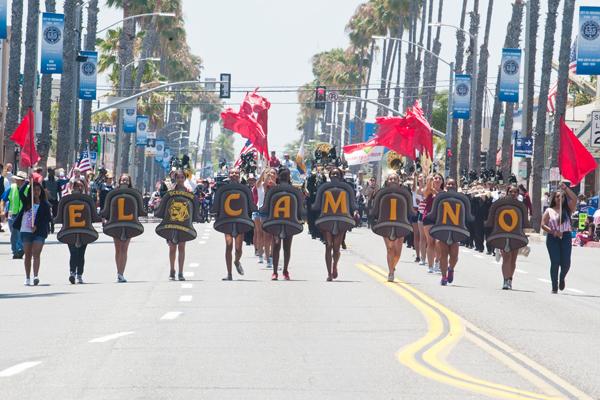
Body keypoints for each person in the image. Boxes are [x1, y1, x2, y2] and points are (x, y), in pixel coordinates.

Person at [13, 180, 52, 286]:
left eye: (38, 190)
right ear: (31, 191)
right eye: (34, 190)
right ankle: (27, 277)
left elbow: (47, 218)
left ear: (41, 191)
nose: (36, 192)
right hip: (26, 231)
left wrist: (37, 226)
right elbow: (21, 192)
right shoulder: (27, 202)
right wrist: (27, 182)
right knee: (28, 255)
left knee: (36, 254)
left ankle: (36, 276)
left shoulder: (45, 204)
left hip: (39, 232)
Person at [541, 182, 577, 293]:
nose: (560, 198)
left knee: (566, 263)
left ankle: (562, 278)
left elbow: (574, 199)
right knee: (555, 262)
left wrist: (565, 188)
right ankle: (554, 286)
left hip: (566, 236)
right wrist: (553, 232)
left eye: (562, 197)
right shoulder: (549, 211)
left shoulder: (568, 209)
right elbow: (543, 225)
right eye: (557, 196)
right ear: (554, 198)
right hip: (553, 238)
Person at [215, 168, 247, 281]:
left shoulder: (244, 188)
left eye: (236, 173)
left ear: (239, 175)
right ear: (229, 175)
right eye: (232, 173)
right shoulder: (223, 189)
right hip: (227, 220)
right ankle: (229, 274)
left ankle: (237, 261)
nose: (234, 174)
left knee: (238, 249)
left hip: (240, 221)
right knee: (229, 244)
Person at [268, 168, 298, 280]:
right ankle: (275, 271)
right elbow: (267, 206)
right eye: (283, 175)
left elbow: (299, 207)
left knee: (287, 247)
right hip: (276, 221)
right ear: (278, 177)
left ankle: (285, 270)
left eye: (287, 175)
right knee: (276, 246)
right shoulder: (273, 190)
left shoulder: (293, 190)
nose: (285, 177)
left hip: (289, 221)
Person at [66, 180, 91, 284]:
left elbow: (92, 215)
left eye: (81, 186)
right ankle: (72, 272)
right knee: (73, 252)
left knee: (81, 253)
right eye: (76, 186)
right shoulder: (66, 200)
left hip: (84, 230)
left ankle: (79, 274)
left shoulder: (88, 200)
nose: (79, 188)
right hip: (70, 230)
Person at [436, 178, 460, 286]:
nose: (451, 186)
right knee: (443, 255)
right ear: (446, 186)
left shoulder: (461, 198)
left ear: (456, 186)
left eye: (453, 184)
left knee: (454, 256)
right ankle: (443, 276)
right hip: (443, 228)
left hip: (456, 229)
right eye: (449, 184)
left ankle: (451, 269)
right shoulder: (441, 197)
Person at [112, 174, 135, 283]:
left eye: (126, 180)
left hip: (129, 223)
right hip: (116, 223)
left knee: (124, 248)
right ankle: (118, 272)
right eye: (123, 180)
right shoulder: (114, 193)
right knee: (117, 248)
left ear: (129, 182)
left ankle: (121, 273)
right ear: (119, 181)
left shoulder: (133, 194)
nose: (124, 181)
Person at [422, 173, 444, 274]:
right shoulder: (429, 191)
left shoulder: (444, 192)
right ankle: (430, 266)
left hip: (440, 219)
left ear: (442, 181)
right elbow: (424, 192)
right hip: (428, 217)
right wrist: (428, 181)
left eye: (439, 178)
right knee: (430, 242)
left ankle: (437, 262)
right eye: (435, 178)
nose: (437, 180)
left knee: (438, 242)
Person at [3, 172, 28, 259]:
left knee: (22, 233)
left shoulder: (28, 188)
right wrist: (2, 210)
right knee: (14, 234)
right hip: (12, 214)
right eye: (16, 179)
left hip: (24, 214)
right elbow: (4, 199)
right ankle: (15, 251)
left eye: (19, 180)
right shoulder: (12, 187)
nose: (17, 181)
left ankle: (21, 249)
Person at [43, 168, 59, 234]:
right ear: (48, 172)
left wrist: (60, 199)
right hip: (47, 199)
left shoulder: (57, 180)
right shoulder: (45, 180)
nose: (52, 173)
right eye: (51, 172)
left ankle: (52, 224)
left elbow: (59, 190)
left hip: (55, 199)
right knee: (47, 214)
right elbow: (43, 190)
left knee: (54, 214)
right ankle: (48, 227)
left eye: (53, 172)